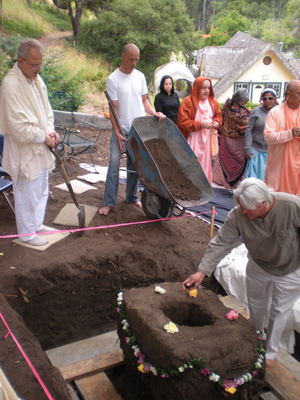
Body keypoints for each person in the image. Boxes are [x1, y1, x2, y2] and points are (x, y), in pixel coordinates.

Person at [183, 178, 300, 371]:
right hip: (259, 265)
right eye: (240, 206)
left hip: (290, 269)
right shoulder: (238, 214)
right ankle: (256, 336)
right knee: (256, 305)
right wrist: (202, 272)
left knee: (280, 311)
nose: (243, 211)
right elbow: (221, 242)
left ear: (264, 202)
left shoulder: (291, 206)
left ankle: (270, 352)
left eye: (247, 208)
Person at [0, 39, 59, 246]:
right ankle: (26, 233)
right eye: (35, 65)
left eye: (40, 64)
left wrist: (50, 131)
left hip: (41, 145)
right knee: (27, 189)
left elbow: (47, 111)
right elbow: (19, 128)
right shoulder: (11, 84)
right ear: (20, 61)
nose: (38, 69)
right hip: (24, 150)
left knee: (42, 185)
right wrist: (44, 137)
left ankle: (37, 224)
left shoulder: (36, 78)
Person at [98, 43, 165, 216]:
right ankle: (109, 202)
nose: (133, 63)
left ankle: (131, 196)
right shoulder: (113, 79)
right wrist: (118, 133)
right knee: (114, 163)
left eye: (136, 60)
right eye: (130, 59)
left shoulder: (140, 76)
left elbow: (144, 101)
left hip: (138, 130)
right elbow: (113, 109)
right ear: (123, 56)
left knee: (136, 165)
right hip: (121, 129)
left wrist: (153, 113)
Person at [177, 77, 222, 184]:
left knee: (205, 164)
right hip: (192, 138)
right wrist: (199, 125)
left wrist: (216, 122)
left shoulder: (212, 102)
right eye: (203, 88)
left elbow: (219, 116)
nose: (206, 91)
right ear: (197, 88)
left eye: (208, 88)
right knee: (191, 163)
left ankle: (202, 186)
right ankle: (189, 186)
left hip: (206, 140)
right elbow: (183, 121)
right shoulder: (188, 102)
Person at [264, 80, 300, 195]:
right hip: (278, 166)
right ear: (289, 94)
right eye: (299, 93)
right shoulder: (275, 113)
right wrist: (290, 133)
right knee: (277, 199)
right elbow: (268, 136)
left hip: (297, 167)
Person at [212, 88, 251, 189]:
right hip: (237, 143)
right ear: (242, 100)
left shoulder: (226, 105)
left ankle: (222, 180)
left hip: (225, 139)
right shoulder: (242, 113)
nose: (248, 99)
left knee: (225, 160)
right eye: (247, 97)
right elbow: (248, 125)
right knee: (237, 163)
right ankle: (233, 183)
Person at [244, 88, 277, 181]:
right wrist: (247, 148)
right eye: (265, 98)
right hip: (255, 150)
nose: (267, 101)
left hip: (270, 151)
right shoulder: (256, 111)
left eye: (270, 98)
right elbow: (249, 130)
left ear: (275, 99)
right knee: (252, 178)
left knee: (266, 178)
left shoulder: (277, 112)